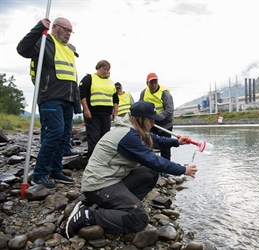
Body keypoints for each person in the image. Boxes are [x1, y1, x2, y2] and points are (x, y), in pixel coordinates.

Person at [65, 101, 197, 238]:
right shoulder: (128, 136)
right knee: (139, 219)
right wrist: (182, 169)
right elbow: (154, 160)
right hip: (99, 185)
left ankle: (121, 207)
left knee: (150, 172)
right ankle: (86, 215)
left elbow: (155, 140)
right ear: (141, 120)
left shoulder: (133, 130)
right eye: (151, 121)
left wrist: (176, 142)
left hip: (111, 180)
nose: (153, 124)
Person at [17, 17, 81, 189]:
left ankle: (55, 170)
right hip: (50, 96)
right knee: (55, 133)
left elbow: (72, 77)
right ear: (55, 27)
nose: (68, 34)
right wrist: (39, 28)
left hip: (67, 99)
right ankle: (40, 174)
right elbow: (23, 49)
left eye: (70, 31)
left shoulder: (68, 49)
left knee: (64, 136)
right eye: (66, 29)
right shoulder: (44, 41)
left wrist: (76, 102)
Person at [79, 60, 119, 158]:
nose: (106, 71)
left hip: (106, 115)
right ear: (98, 68)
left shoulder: (110, 82)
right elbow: (82, 94)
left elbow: (115, 99)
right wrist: (86, 109)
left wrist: (115, 113)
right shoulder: (89, 78)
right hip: (93, 114)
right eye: (104, 69)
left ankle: (103, 159)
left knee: (105, 138)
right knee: (93, 138)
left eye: (108, 70)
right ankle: (92, 160)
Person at [139, 73, 174, 160]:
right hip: (151, 125)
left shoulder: (164, 93)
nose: (154, 85)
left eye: (155, 82)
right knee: (148, 144)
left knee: (165, 147)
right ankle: (151, 166)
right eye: (151, 83)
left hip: (165, 124)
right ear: (147, 83)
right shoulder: (143, 93)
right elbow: (141, 106)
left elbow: (169, 110)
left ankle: (166, 169)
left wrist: (157, 117)